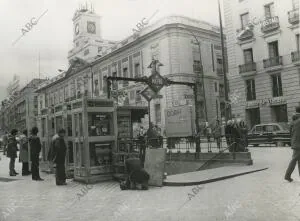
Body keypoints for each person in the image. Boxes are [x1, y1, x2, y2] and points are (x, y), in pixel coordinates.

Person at [284, 111, 300, 182]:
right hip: (298, 145)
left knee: (296, 160)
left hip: (295, 144)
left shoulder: (292, 124)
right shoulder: (298, 123)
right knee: (294, 160)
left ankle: (287, 176)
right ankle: (287, 176)